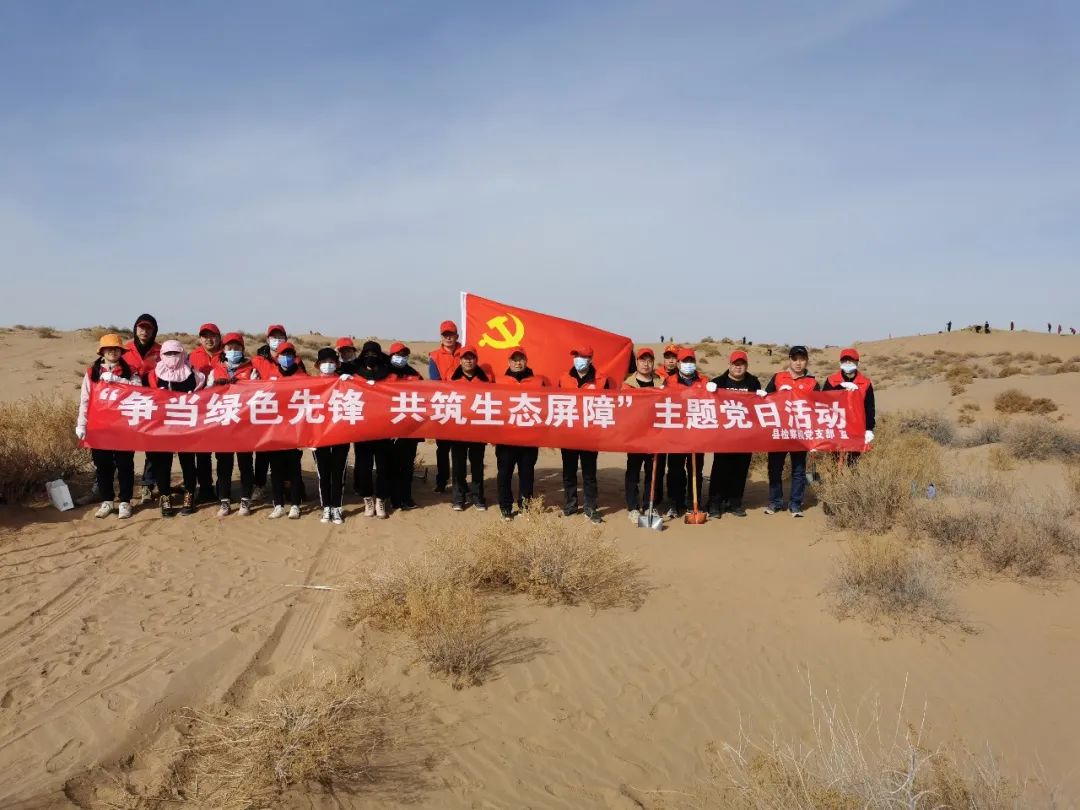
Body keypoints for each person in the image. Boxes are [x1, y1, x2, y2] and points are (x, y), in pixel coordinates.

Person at [76, 334, 142, 519]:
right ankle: (107, 500)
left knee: (125, 465)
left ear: (121, 351)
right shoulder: (92, 372)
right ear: (102, 351)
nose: (113, 351)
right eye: (109, 348)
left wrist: (118, 380)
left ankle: (125, 501)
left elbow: (139, 391)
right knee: (103, 466)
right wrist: (81, 423)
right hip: (99, 426)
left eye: (117, 349)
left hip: (123, 426)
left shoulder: (130, 371)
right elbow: (85, 399)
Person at [145, 340, 206, 517]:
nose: (172, 357)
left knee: (188, 462)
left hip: (185, 425)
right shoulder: (153, 375)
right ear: (161, 355)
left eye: (175, 353)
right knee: (162, 463)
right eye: (168, 353)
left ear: (183, 354)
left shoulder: (194, 375)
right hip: (161, 426)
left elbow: (203, 396)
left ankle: (189, 494)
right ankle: (165, 496)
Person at [558, 346, 615, 523]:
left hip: (590, 435)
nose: (578, 359)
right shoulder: (564, 378)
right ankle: (570, 505)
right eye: (576, 356)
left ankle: (590, 507)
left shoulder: (601, 380)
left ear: (590, 359)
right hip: (569, 433)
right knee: (569, 471)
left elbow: (609, 403)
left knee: (589, 473)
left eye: (582, 356)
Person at [207, 333, 260, 517]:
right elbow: (206, 395)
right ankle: (224, 500)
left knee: (246, 463)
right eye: (229, 348)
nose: (233, 351)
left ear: (242, 349)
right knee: (224, 464)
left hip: (244, 424)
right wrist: (216, 387)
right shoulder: (215, 371)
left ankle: (246, 499)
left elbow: (258, 392)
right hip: (223, 424)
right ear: (224, 349)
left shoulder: (251, 370)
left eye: (237, 348)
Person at [764, 345, 819, 518]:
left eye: (802, 359)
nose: (798, 363)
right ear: (789, 360)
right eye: (795, 359)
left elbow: (819, 407)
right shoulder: (778, 377)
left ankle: (795, 504)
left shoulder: (812, 382)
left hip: (800, 433)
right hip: (779, 431)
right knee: (774, 468)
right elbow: (765, 399)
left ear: (806, 361)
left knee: (799, 470)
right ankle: (775, 502)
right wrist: (775, 394)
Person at [705, 350, 761, 517]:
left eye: (741, 364)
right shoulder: (718, 382)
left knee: (740, 470)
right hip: (724, 436)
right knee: (720, 469)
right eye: (735, 364)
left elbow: (758, 406)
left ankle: (734, 502)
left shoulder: (753, 382)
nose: (738, 367)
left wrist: (762, 397)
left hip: (745, 435)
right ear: (729, 365)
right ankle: (715, 503)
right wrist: (708, 391)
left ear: (746, 366)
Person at [495, 347, 548, 520]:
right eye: (514, 359)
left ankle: (525, 506)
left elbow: (547, 405)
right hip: (505, 438)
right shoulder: (498, 381)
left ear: (526, 361)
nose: (518, 363)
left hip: (529, 439)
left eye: (521, 359)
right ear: (508, 362)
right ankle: (505, 507)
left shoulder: (538, 382)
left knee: (527, 475)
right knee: (504, 474)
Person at [264, 341, 307, 520]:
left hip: (294, 431)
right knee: (276, 470)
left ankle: (295, 505)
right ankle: (278, 505)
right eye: (283, 354)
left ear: (294, 356)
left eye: (289, 354)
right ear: (277, 357)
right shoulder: (270, 375)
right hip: (275, 430)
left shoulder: (302, 376)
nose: (286, 357)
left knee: (294, 469)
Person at [623, 347, 666, 523]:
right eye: (642, 360)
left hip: (656, 436)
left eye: (649, 361)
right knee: (633, 472)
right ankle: (633, 507)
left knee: (652, 472)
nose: (646, 364)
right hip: (635, 436)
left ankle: (649, 505)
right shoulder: (627, 384)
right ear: (637, 362)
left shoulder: (661, 383)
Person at [351, 341, 394, 518]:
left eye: (374, 354)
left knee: (384, 467)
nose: (371, 357)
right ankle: (368, 498)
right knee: (364, 468)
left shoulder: (389, 375)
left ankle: (381, 499)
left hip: (384, 429)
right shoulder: (355, 375)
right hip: (363, 431)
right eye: (367, 354)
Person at [123, 313, 162, 502]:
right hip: (128, 405)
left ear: (154, 331)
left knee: (152, 446)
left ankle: (148, 485)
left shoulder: (161, 351)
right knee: (125, 447)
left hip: (153, 405)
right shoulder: (125, 350)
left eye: (148, 328)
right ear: (135, 329)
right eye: (141, 327)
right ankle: (124, 488)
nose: (144, 331)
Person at [447, 345, 491, 511]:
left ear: (476, 360)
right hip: (457, 430)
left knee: (477, 466)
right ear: (460, 360)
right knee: (458, 465)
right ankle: (458, 498)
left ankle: (478, 497)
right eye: (465, 358)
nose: (468, 361)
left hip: (478, 430)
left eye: (471, 358)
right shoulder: (452, 378)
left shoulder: (486, 380)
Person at [665, 348, 708, 518]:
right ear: (678, 363)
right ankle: (675, 503)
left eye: (691, 361)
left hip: (697, 434)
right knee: (675, 470)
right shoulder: (669, 381)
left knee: (695, 470)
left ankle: (693, 503)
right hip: (676, 434)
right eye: (684, 361)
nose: (688, 364)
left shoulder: (704, 381)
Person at [312, 348, 350, 524]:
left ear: (337, 364)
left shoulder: (345, 382)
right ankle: (326, 507)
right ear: (318, 364)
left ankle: (336, 507)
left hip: (340, 434)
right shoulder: (310, 384)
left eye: (331, 362)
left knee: (338, 473)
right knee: (323, 473)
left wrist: (353, 382)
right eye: (324, 362)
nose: (328, 365)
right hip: (319, 436)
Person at [386, 341, 423, 511]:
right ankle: (393, 497)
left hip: (409, 428)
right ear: (391, 356)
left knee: (407, 465)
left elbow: (424, 396)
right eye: (398, 355)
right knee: (391, 465)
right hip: (388, 428)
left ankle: (406, 497)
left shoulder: (415, 375)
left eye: (404, 355)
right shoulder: (383, 374)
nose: (401, 358)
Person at [821, 348, 876, 464]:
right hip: (836, 426)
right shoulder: (831, 381)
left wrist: (869, 428)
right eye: (845, 360)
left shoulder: (865, 383)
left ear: (857, 362)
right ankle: (836, 475)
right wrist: (839, 387)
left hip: (857, 427)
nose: (847, 363)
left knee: (853, 462)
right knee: (835, 461)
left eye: (850, 360)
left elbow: (869, 407)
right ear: (840, 362)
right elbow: (824, 401)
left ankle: (851, 475)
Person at [188, 323, 222, 504]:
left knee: (223, 452)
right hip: (200, 411)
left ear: (219, 337)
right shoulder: (192, 356)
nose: (209, 339)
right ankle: (206, 488)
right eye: (205, 336)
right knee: (202, 452)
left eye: (212, 336)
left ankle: (223, 489)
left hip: (222, 409)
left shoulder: (226, 354)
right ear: (200, 338)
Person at [427, 320, 462, 494]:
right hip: (443, 405)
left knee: (459, 449)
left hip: (462, 406)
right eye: (445, 335)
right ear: (441, 337)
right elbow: (435, 382)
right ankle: (441, 480)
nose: (448, 338)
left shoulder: (465, 353)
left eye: (451, 334)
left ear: (457, 335)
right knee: (442, 448)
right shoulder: (434, 356)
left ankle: (458, 481)